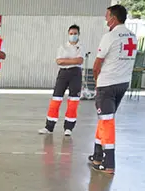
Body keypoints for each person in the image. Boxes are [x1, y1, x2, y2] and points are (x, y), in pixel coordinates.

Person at [88, 5, 137, 174]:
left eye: (107, 16)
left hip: (107, 85)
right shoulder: (133, 36)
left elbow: (96, 65)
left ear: (114, 18)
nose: (105, 19)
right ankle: (97, 155)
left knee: (107, 122)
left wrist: (97, 81)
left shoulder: (110, 36)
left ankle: (109, 163)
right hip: (122, 84)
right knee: (104, 119)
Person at [39, 25, 84, 136]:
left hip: (76, 74)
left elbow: (80, 60)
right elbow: (59, 61)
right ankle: (49, 127)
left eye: (75, 33)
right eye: (71, 33)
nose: (73, 35)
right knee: (56, 100)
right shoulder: (62, 46)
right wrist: (73, 60)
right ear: (68, 34)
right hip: (63, 74)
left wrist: (66, 60)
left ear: (78, 34)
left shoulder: (81, 47)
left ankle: (68, 128)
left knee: (73, 101)